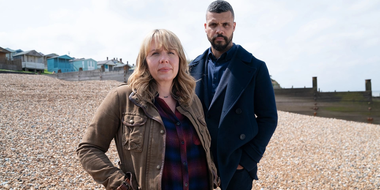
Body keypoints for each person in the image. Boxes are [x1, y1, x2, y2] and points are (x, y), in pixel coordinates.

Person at [77, 29, 219, 190]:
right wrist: (119, 183)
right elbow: (88, 148)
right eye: (155, 53)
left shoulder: (192, 101)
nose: (164, 59)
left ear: (179, 59)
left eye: (171, 52)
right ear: (144, 61)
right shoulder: (123, 98)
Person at [189, 1, 278, 190]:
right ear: (206, 28)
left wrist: (247, 160)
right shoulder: (190, 69)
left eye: (225, 25)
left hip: (236, 165)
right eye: (213, 25)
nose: (219, 30)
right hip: (198, 162)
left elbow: (269, 118)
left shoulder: (255, 67)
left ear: (234, 27)